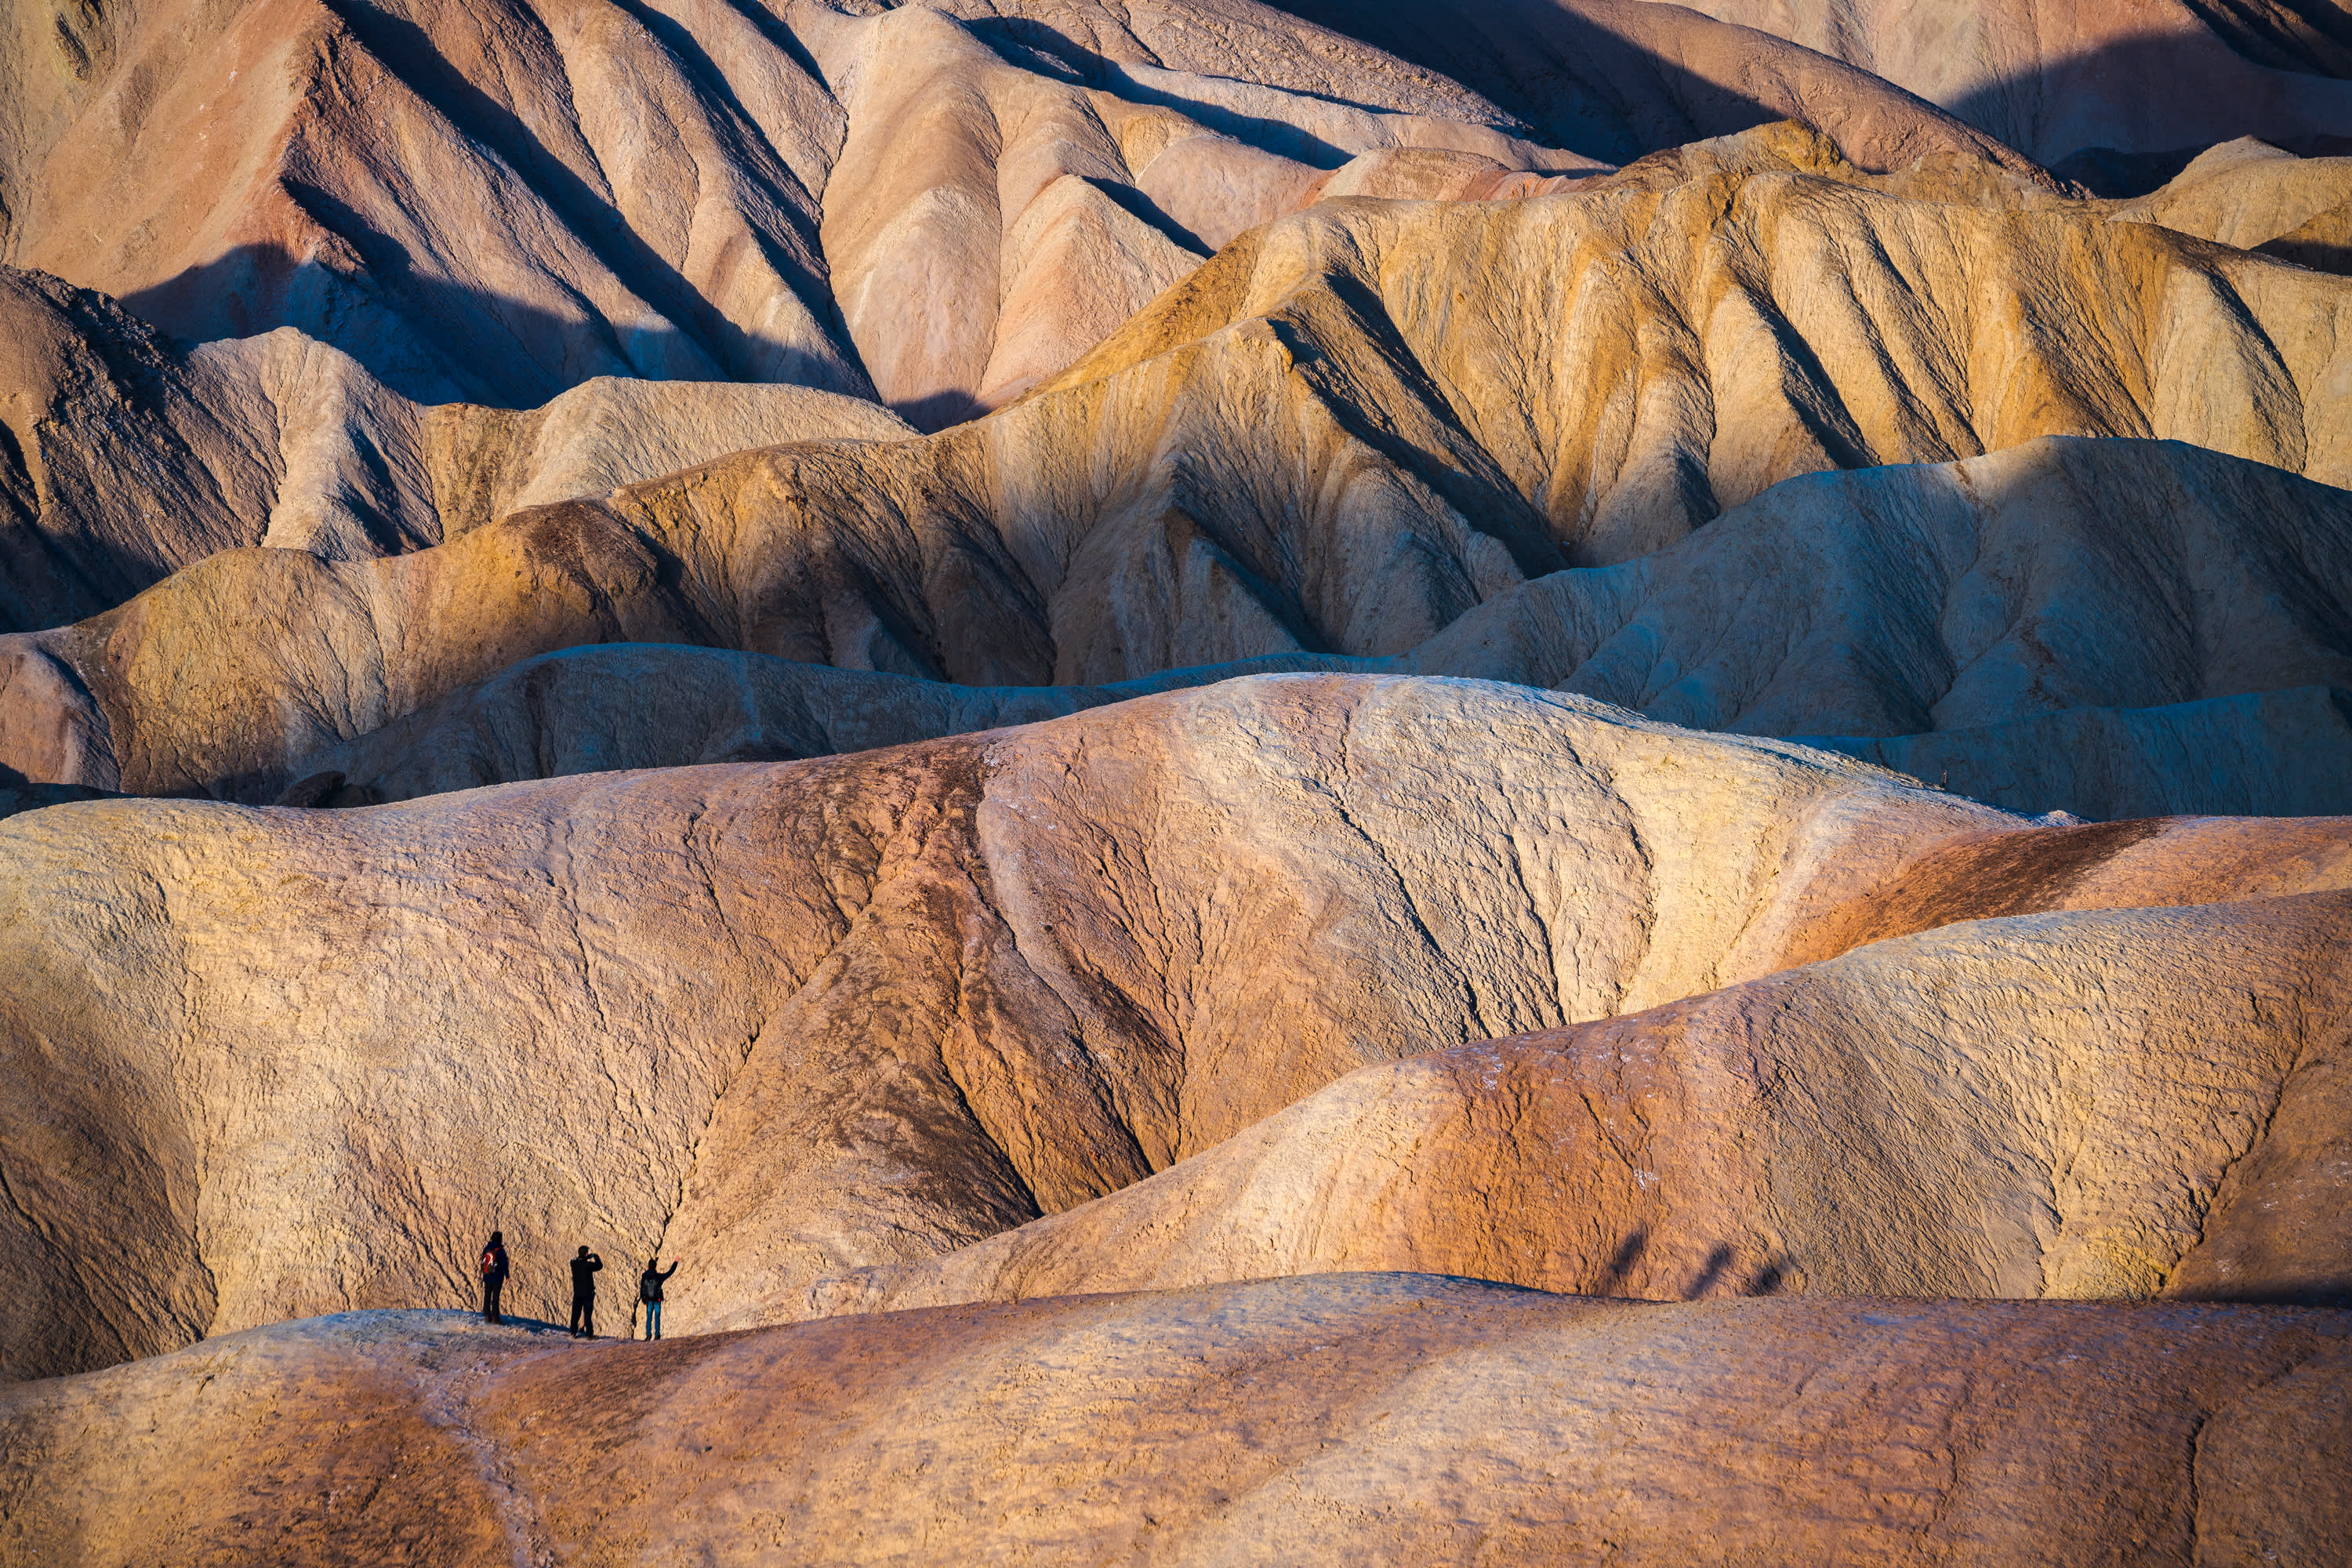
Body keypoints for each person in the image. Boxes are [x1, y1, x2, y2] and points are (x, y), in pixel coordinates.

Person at [639, 1256, 680, 1340]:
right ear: (656, 1267)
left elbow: (642, 1288)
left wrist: (643, 1299)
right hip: (657, 1300)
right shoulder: (659, 1276)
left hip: (649, 1300)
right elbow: (670, 1273)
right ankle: (657, 1335)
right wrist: (676, 1262)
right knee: (657, 1317)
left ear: (648, 1267)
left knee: (649, 1317)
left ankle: (648, 1335)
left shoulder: (644, 1275)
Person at [568, 1246, 604, 1338]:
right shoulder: (588, 1265)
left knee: (575, 1313)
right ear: (587, 1253)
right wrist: (596, 1257)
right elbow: (599, 1266)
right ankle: (589, 1334)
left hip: (577, 1292)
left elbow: (575, 1260)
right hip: (588, 1293)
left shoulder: (574, 1263)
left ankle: (573, 1332)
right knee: (587, 1314)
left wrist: (586, 1257)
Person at [480, 1231, 510, 1324]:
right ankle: (495, 1317)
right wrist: (507, 1275)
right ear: (500, 1239)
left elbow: (483, 1260)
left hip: (487, 1276)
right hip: (497, 1277)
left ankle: (487, 1315)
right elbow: (504, 1264)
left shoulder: (487, 1248)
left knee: (487, 1296)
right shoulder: (500, 1250)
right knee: (495, 1297)